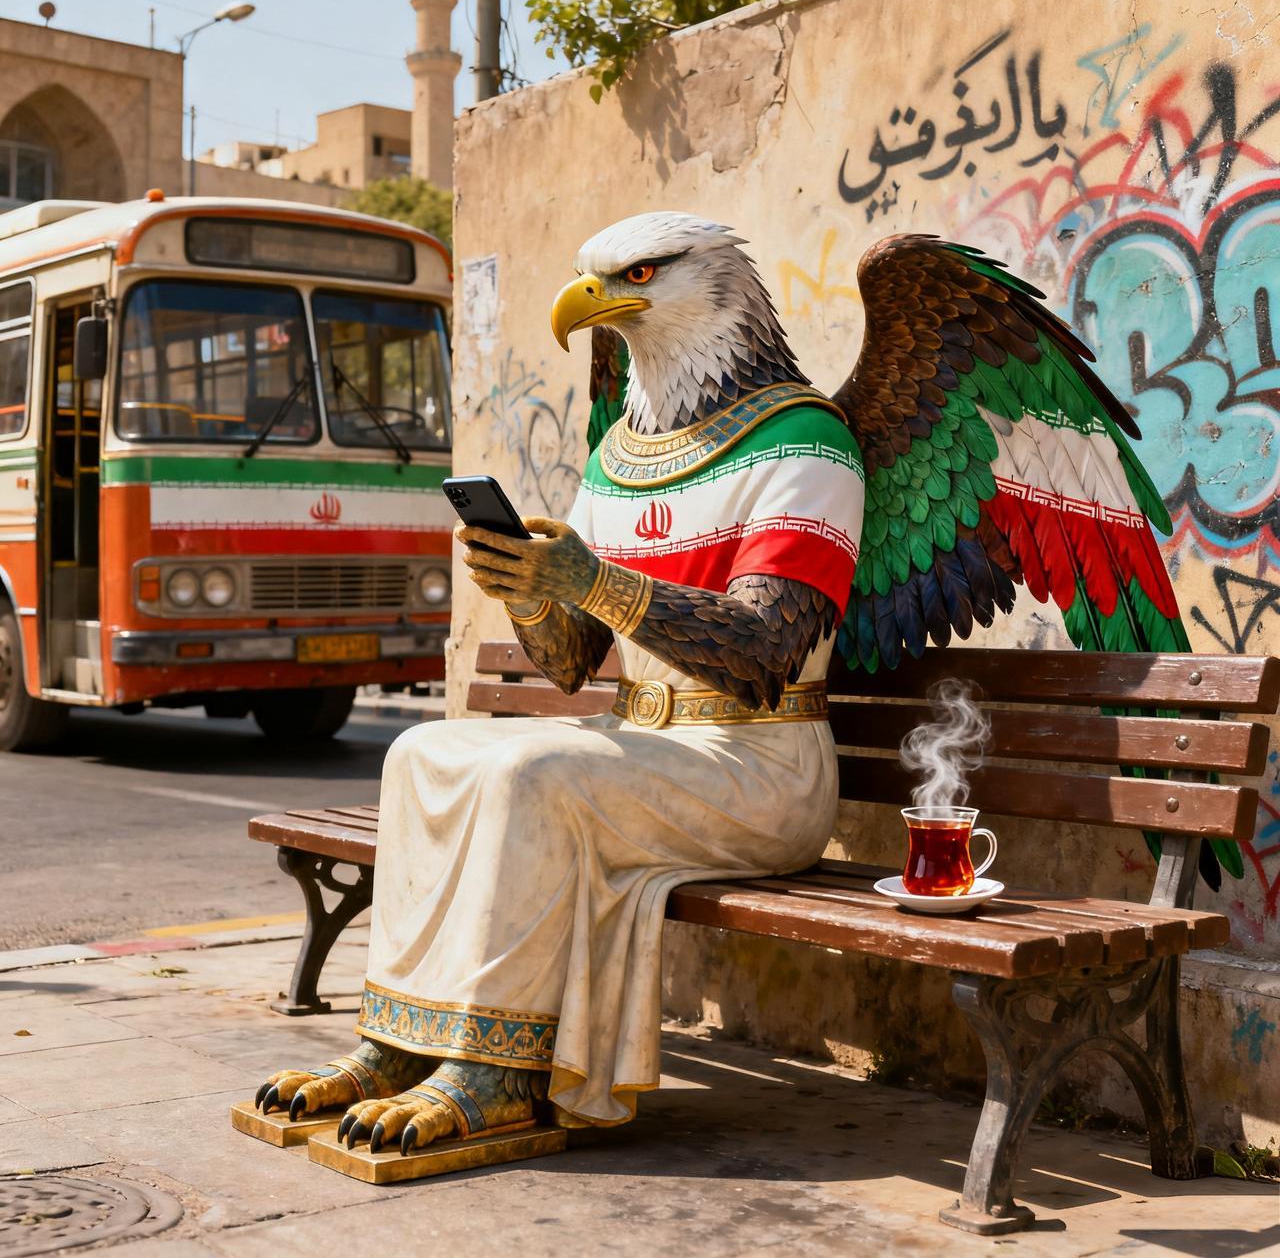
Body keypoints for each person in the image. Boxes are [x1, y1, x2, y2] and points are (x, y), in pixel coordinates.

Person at [254, 212, 865, 1154]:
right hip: (646, 749)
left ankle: (497, 1071)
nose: (593, 296)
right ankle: (398, 1044)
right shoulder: (622, 452)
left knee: (530, 775)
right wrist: (531, 594)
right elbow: (574, 663)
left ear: (717, 289)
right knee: (421, 752)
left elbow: (761, 654)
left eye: (639, 275)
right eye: (596, 278)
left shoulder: (807, 444)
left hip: (761, 764)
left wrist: (593, 580)